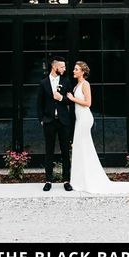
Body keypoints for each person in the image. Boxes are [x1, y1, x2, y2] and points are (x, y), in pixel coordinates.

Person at [67, 62, 129, 194]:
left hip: (85, 118)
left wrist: (72, 99)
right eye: (74, 69)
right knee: (80, 147)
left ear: (82, 72)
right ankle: (80, 180)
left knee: (82, 146)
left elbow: (88, 103)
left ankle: (86, 180)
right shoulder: (77, 84)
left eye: (76, 69)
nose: (73, 70)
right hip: (79, 119)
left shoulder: (85, 84)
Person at [37, 56, 73, 192]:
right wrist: (42, 119)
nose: (64, 69)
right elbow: (39, 104)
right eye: (62, 67)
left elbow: (70, 101)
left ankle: (66, 180)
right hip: (49, 122)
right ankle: (48, 180)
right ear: (54, 67)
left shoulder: (66, 81)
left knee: (65, 151)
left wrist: (61, 98)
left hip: (63, 121)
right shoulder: (43, 83)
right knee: (49, 151)